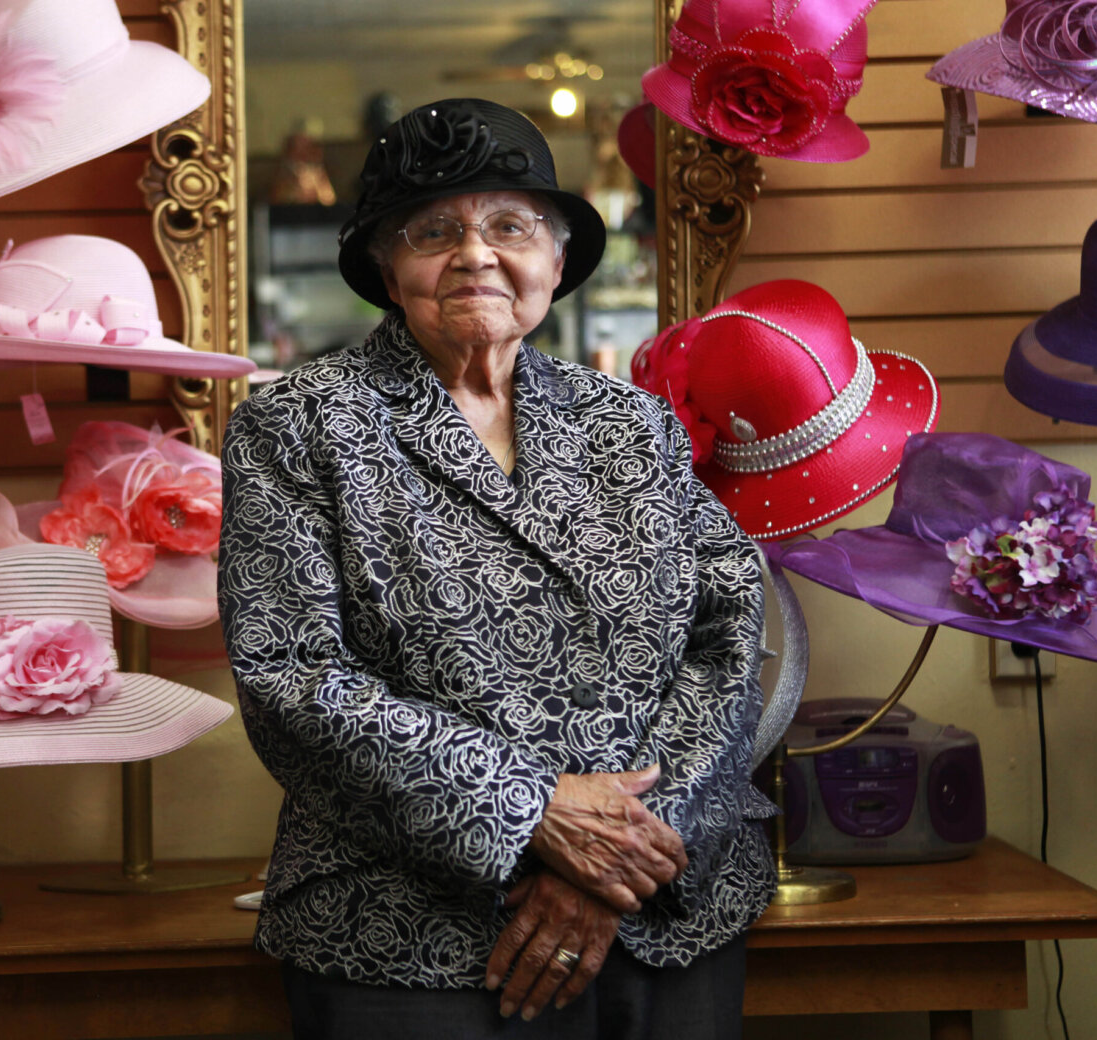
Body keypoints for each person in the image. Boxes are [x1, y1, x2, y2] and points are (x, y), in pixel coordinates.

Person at [219, 98, 776, 1039]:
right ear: (387, 272)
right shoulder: (297, 425)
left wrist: (624, 855)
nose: (474, 253)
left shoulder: (629, 423)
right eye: (433, 230)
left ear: (556, 263)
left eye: (510, 226)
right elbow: (292, 675)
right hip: (409, 936)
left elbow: (728, 633)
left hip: (661, 914)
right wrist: (533, 813)